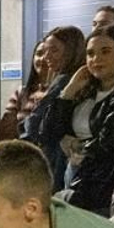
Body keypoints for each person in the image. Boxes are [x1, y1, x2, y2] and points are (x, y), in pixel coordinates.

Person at [46, 25, 114, 215]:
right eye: (90, 54)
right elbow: (48, 132)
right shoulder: (85, 91)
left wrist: (77, 146)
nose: (96, 59)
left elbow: (112, 143)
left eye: (105, 52)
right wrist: (68, 93)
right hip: (73, 176)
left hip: (106, 189)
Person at [24, 26, 88, 187]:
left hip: (58, 161)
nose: (46, 57)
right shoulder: (63, 80)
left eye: (54, 50)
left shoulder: (65, 81)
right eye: (44, 51)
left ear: (71, 50)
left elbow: (37, 128)